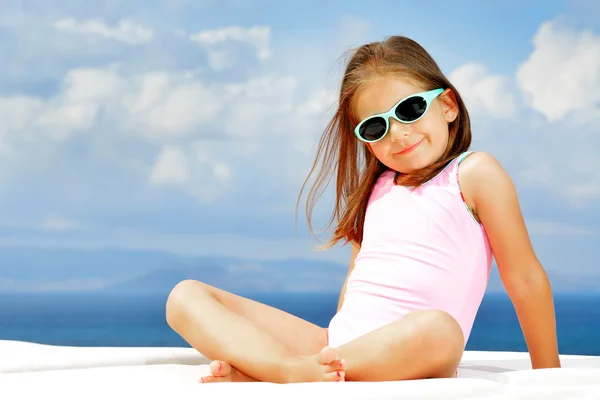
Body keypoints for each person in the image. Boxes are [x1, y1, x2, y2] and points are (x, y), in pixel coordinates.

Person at [165, 35, 561, 383]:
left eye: (409, 110)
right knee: (185, 296)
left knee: (440, 329)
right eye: (375, 127)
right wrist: (334, 347)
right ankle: (291, 370)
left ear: (448, 106)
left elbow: (524, 279)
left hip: (414, 348)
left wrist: (549, 377)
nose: (399, 133)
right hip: (338, 346)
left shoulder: (474, 174)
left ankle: (276, 370)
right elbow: (354, 289)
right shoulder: (375, 189)